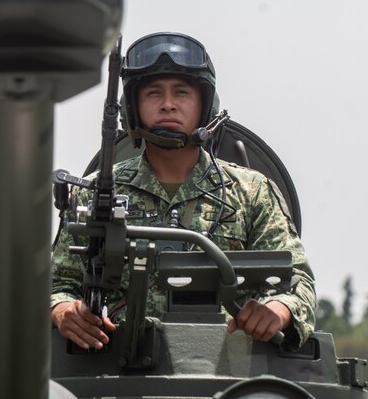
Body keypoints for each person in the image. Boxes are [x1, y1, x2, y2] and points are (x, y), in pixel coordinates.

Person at [51, 32, 316, 353]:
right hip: (117, 368)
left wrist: (277, 311)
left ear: (205, 105)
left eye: (182, 92)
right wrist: (64, 311)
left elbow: (297, 280)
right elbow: (58, 285)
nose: (168, 104)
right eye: (153, 93)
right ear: (131, 107)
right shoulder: (94, 195)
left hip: (228, 369)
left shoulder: (252, 193)